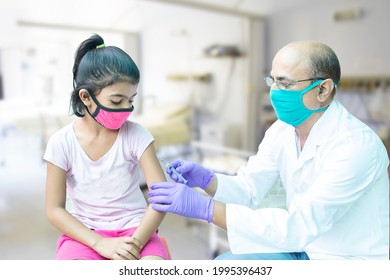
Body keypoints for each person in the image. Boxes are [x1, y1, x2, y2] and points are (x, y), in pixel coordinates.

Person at [148, 40, 390, 260]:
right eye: (272, 80)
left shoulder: (356, 146)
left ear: (323, 90)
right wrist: (208, 181)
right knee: (224, 265)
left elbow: (299, 226)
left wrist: (206, 208)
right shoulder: (282, 130)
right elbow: (251, 188)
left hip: (346, 261)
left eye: (284, 83)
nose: (274, 91)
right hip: (304, 247)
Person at [44, 34, 169, 260]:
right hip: (84, 236)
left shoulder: (137, 135)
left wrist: (135, 244)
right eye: (116, 100)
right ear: (86, 97)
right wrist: (100, 243)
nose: (126, 108)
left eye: (131, 100)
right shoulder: (61, 143)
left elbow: (161, 198)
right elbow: (54, 210)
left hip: (137, 232)